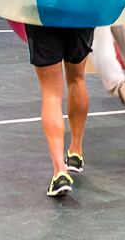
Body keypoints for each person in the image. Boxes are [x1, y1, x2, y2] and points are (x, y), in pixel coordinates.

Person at [25, 24, 94, 197]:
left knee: (51, 94)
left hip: (42, 10)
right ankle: (75, 153)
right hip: (79, 8)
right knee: (77, 78)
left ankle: (59, 172)